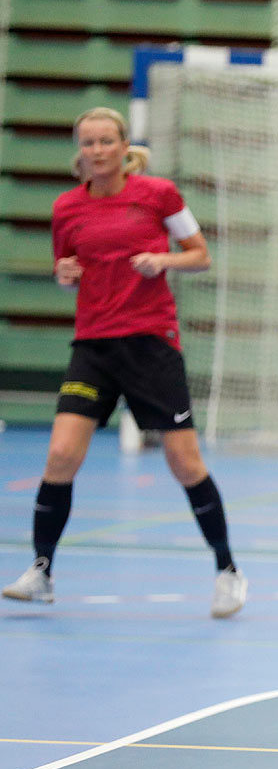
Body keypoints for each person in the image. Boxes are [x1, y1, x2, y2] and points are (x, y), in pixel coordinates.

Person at [3, 107, 247, 619]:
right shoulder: (66, 208)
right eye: (88, 143)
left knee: (184, 463)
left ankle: (227, 570)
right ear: (80, 150)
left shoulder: (158, 195)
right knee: (60, 457)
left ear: (123, 146)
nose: (97, 151)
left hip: (151, 345)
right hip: (93, 348)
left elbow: (200, 254)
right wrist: (63, 273)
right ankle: (42, 570)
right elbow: (66, 267)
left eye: (106, 141)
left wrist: (165, 260)